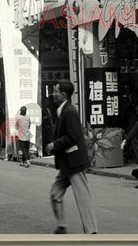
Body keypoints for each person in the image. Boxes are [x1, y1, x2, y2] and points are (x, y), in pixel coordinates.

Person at [45, 80, 97, 234]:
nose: (53, 94)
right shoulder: (62, 110)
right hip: (66, 163)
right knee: (55, 194)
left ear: (63, 94)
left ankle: (92, 231)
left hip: (75, 162)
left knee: (83, 198)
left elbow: (73, 136)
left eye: (55, 91)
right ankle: (61, 225)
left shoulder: (69, 111)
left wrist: (54, 144)